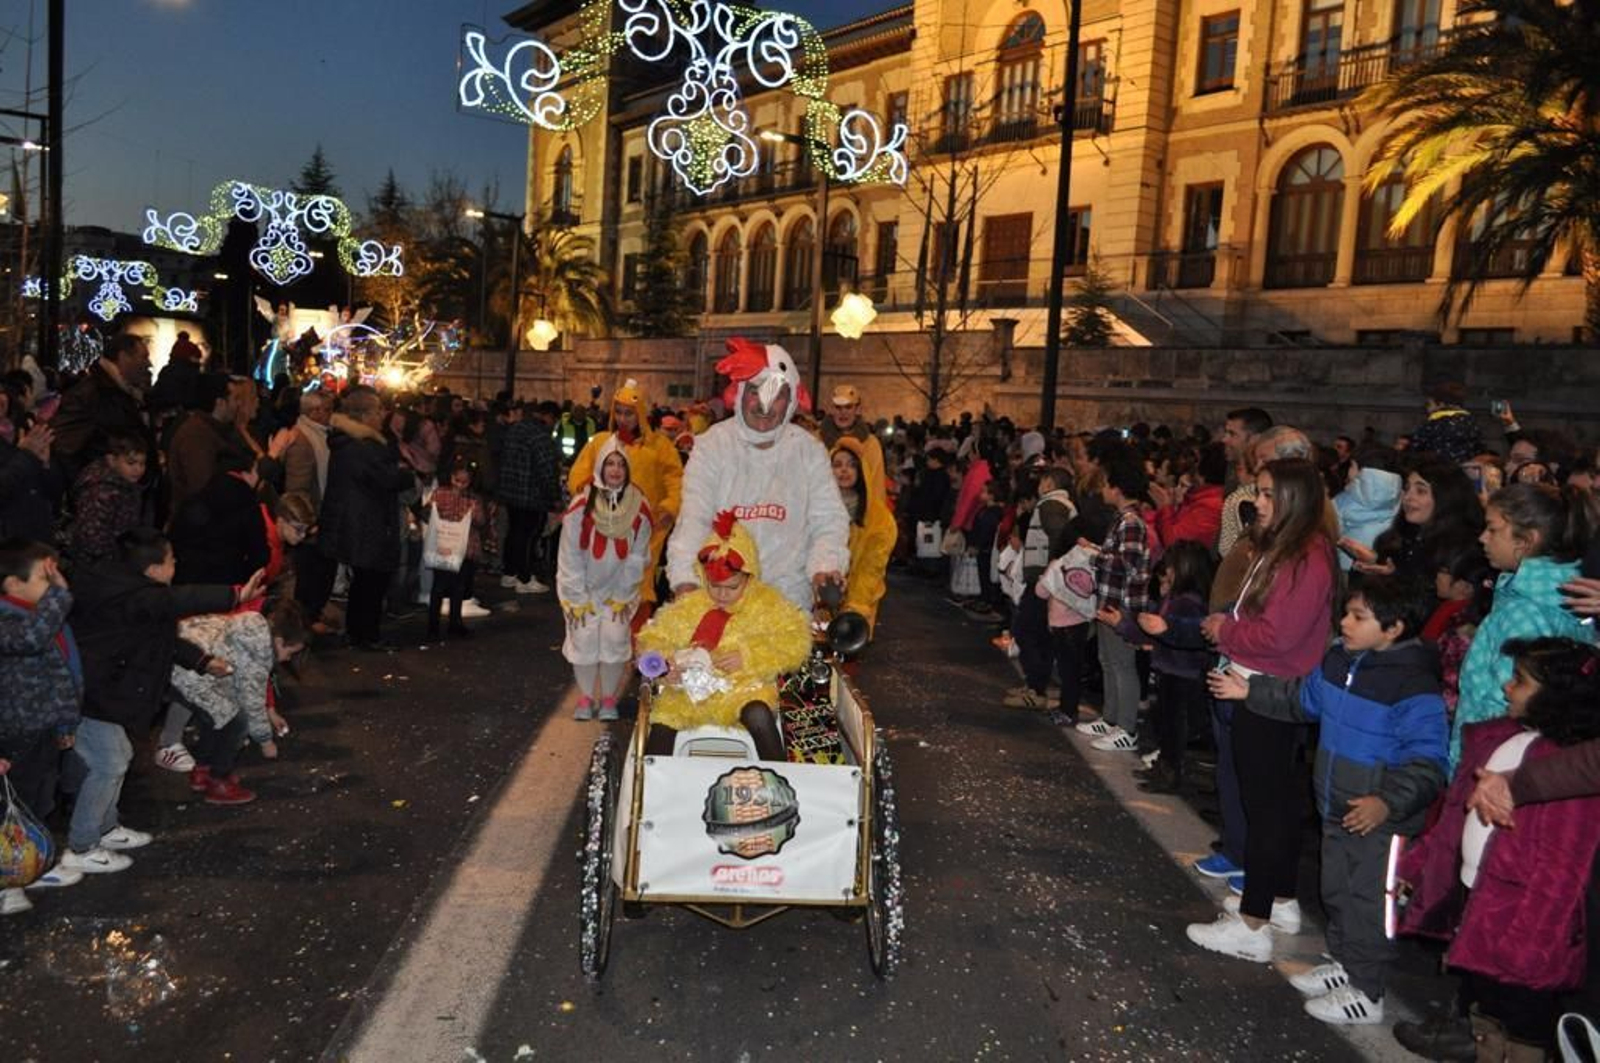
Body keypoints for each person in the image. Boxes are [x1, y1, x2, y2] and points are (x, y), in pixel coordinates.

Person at [1210, 577, 1448, 1024]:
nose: (1344, 622)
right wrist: (1251, 691)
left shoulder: (1414, 686)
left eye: (1358, 617)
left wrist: (1386, 802)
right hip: (1335, 806)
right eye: (1346, 613)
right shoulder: (1341, 661)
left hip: (1379, 819)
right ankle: (1345, 964)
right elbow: (1302, 698)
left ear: (1393, 628)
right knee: (1336, 890)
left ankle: (1368, 990)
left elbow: (1430, 761)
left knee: (1368, 902)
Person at [1396, 637, 1600, 1060]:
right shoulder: (1500, 740)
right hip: (1482, 908)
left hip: (1521, 928)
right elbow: (1454, 819)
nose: (1508, 687)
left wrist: (1531, 945)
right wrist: (1416, 865)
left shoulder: (1567, 772)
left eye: (1520, 682)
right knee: (1484, 1014)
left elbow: (1563, 871)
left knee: (1521, 1028)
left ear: (1557, 696)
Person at [1187, 457, 1339, 960]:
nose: (1260, 502)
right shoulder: (1285, 551)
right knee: (1275, 802)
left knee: (1266, 808)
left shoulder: (1305, 558)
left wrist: (1225, 631)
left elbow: (1279, 634)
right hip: (1260, 681)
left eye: (1271, 494)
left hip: (1269, 690)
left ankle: (1253, 924)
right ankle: (1279, 896)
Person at [64, 529, 264, 874]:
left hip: (100, 692)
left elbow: (160, 636)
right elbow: (176, 602)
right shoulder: (133, 596)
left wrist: (202, 662)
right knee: (109, 764)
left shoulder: (126, 590)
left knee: (119, 757)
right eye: (171, 560)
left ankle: (106, 828)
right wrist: (234, 595)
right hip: (91, 695)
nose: (177, 564)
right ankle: (81, 845)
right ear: (154, 569)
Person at [666, 339, 849, 614]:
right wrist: (685, 581)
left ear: (790, 401)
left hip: (787, 602)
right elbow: (694, 519)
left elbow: (828, 520)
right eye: (756, 391)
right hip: (720, 597)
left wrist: (824, 568)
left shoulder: (808, 451)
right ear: (740, 393)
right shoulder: (712, 446)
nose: (765, 404)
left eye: (776, 394)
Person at [637, 510, 812, 761]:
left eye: (732, 587)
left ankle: (779, 779)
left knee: (759, 714)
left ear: (749, 576)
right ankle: (651, 789)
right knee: (663, 720)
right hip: (689, 691)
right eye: (714, 586)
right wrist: (665, 664)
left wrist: (748, 657)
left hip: (743, 688)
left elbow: (796, 640)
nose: (721, 595)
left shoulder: (768, 603)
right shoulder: (691, 605)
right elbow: (654, 637)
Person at [1452, 483, 1597, 765]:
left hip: (1492, 757)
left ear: (1526, 541)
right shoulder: (1563, 594)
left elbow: (1507, 704)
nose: (1482, 538)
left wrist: (1469, 761)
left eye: (1493, 529)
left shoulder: (1526, 612)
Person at [0, 540, 85, 912]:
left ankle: (29, 866)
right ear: (12, 584)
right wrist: (61, 594)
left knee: (36, 800)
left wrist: (64, 723)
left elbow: (63, 675)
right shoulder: (9, 620)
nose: (51, 584)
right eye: (43, 577)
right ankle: (8, 881)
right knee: (12, 808)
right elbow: (31, 643)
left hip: (42, 727)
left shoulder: (40, 614)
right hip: (13, 732)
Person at [169, 598, 309, 803]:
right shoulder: (260, 653)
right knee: (237, 722)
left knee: (216, 718)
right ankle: (219, 780)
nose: (288, 659)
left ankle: (203, 770)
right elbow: (252, 702)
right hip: (188, 675)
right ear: (279, 641)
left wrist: (269, 711)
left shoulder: (252, 626)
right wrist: (265, 741)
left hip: (176, 663)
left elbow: (241, 687)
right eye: (290, 652)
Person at [566, 380, 682, 619]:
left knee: (638, 583)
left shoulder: (660, 447)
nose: (622, 418)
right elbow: (579, 473)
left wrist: (670, 508)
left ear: (640, 414)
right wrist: (584, 492)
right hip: (603, 527)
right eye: (618, 412)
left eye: (628, 413)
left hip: (644, 529)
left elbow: (676, 480)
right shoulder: (601, 442)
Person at [557, 439, 653, 721]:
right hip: (583, 589)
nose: (615, 469)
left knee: (615, 639)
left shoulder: (640, 506)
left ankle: (609, 699)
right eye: (610, 463)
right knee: (584, 638)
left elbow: (638, 555)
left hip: (618, 591)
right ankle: (586, 697)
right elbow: (569, 553)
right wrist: (576, 596)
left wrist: (622, 594)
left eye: (621, 464)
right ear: (600, 466)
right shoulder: (581, 504)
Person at [318, 387, 414, 652]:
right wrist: (404, 474)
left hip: (358, 520)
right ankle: (366, 634)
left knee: (364, 581)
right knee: (371, 581)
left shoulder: (349, 441)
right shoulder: (362, 445)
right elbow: (384, 478)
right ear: (365, 414)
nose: (383, 415)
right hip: (367, 522)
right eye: (379, 410)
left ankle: (358, 632)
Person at [1123, 541, 1216, 795]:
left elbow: (1186, 632)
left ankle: (1170, 773)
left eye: (1172, 568)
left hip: (1182, 672)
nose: (1167, 572)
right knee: (1164, 723)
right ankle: (1164, 766)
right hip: (1169, 668)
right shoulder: (1174, 598)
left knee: (1174, 726)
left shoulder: (1189, 601)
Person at [1082, 448, 1153, 752]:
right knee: (1107, 661)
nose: (1103, 490)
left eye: (1107, 484)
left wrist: (1095, 554)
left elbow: (1128, 562)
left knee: (1122, 665)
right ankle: (1111, 718)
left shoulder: (1131, 521)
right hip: (1109, 602)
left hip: (1121, 605)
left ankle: (1126, 726)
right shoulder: (1122, 519)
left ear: (1118, 489)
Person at [1357, 458, 1484, 584]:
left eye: (1421, 491)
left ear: (1446, 497)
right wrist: (1374, 563)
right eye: (1407, 488)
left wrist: (1396, 578)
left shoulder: (1465, 549)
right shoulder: (1393, 539)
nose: (1408, 497)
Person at [51, 331, 155, 478]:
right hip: (104, 493)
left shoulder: (129, 393)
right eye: (144, 357)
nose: (149, 364)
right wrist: (91, 486)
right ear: (124, 357)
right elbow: (63, 447)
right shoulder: (89, 394)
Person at [830, 435, 895, 637]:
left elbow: (872, 568)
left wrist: (855, 607)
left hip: (858, 603)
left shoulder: (879, 518)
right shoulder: (815, 508)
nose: (844, 470)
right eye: (837, 465)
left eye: (851, 465)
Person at [499, 401, 564, 596]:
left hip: (511, 492)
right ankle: (524, 578)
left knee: (514, 533)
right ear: (549, 416)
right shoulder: (541, 436)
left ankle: (509, 573)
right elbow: (546, 470)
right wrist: (555, 497)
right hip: (531, 495)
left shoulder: (515, 430)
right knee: (527, 536)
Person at [426, 457, 489, 643]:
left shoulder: (439, 494)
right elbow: (481, 521)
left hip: (443, 546)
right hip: (464, 548)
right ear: (452, 477)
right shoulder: (473, 499)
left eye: (464, 482)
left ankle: (434, 625)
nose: (460, 485)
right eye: (457, 480)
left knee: (442, 587)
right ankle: (453, 624)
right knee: (456, 587)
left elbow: (427, 513)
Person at [66, 431, 148, 569]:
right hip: (99, 567)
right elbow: (93, 538)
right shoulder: (100, 492)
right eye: (131, 463)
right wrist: (115, 562)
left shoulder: (125, 485)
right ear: (112, 460)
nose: (138, 469)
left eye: (142, 463)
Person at [1333, 443, 1402, 572]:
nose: (1349, 472)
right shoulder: (1403, 504)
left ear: (1365, 474)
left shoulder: (1341, 502)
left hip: (1338, 571)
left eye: (1352, 466)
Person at [1217, 407, 1273, 557]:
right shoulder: (1230, 474)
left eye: (1232, 434)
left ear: (1255, 439)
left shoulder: (1268, 490)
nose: (1224, 439)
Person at [1410, 380, 1485, 465]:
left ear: (1441, 404)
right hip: (1464, 472)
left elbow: (1416, 448)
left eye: (1429, 404)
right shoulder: (1471, 423)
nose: (1427, 409)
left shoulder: (1434, 423)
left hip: (1437, 471)